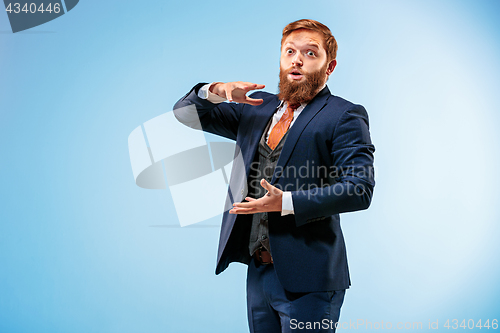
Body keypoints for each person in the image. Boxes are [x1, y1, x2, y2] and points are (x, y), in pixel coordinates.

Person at [173, 19, 375, 333]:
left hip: (311, 279)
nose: (297, 59)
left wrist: (288, 202)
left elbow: (359, 189)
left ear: (329, 66)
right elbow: (185, 113)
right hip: (258, 272)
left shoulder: (343, 115)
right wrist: (214, 91)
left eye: (310, 53)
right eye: (290, 51)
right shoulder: (254, 108)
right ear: (281, 59)